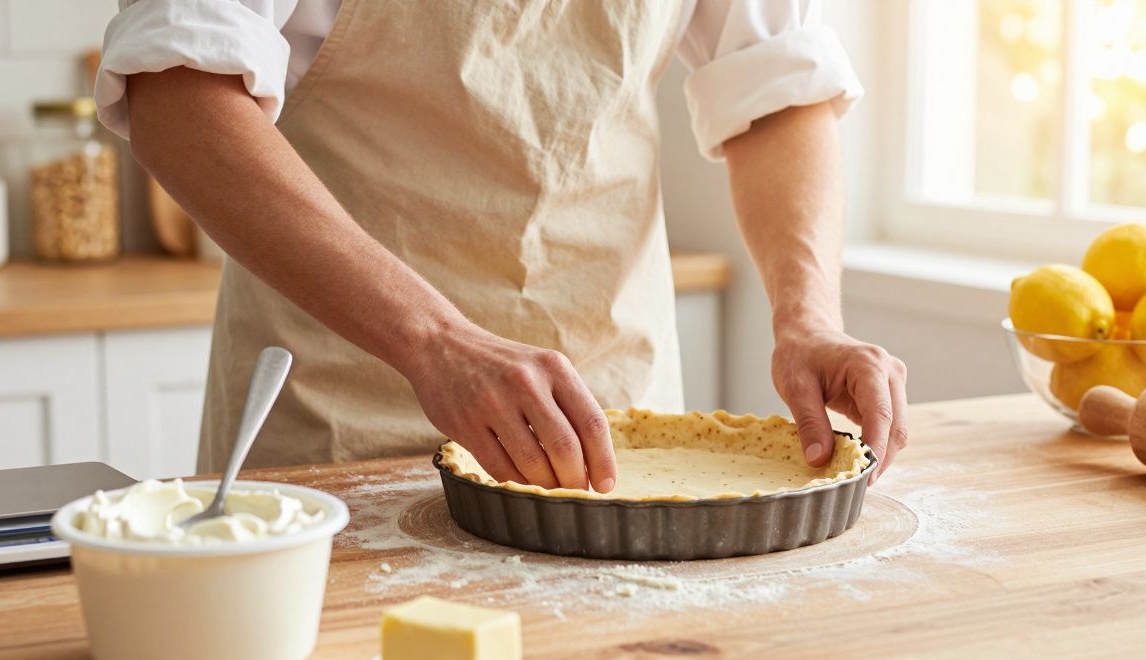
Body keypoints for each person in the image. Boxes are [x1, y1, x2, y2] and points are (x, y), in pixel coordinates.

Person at [96, 0, 908, 490]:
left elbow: (776, 85)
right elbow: (177, 91)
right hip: (341, 415)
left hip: (613, 421)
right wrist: (434, 340)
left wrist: (808, 318)